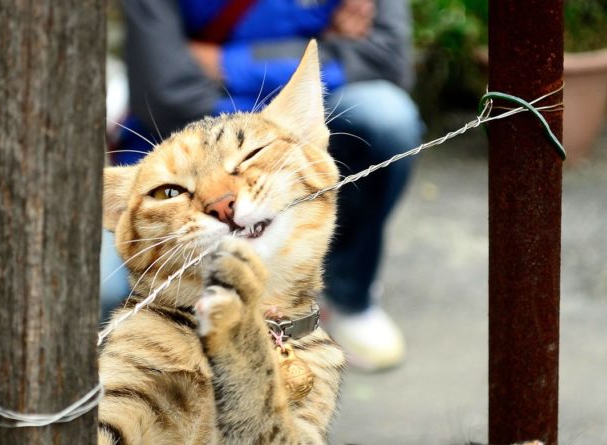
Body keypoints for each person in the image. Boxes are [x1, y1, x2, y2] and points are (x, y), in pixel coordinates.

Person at [106, 0, 422, 371]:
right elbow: (168, 95)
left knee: (388, 116)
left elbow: (388, 60)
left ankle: (347, 294)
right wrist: (277, 107)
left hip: (286, 127)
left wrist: (224, 64)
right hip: (172, 158)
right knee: (104, 291)